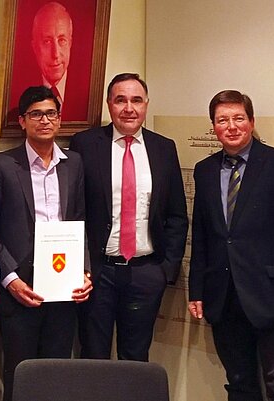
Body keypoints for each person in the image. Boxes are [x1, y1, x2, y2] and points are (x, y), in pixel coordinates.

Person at [187, 90, 274, 401]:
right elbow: (203, 235)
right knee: (239, 386)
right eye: (223, 120)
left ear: (251, 121)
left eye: (238, 118)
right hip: (224, 297)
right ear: (213, 126)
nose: (231, 126)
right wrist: (196, 289)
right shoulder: (204, 171)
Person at [0, 86, 93, 400]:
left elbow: (80, 221)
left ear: (59, 119)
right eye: (36, 114)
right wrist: (10, 280)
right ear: (22, 121)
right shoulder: (1, 165)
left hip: (63, 289)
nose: (44, 121)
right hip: (20, 290)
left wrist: (84, 271)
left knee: (56, 378)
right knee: (20, 377)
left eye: (51, 113)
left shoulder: (74, 163)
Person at [69, 73, 188, 361]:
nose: (129, 108)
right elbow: (74, 210)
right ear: (109, 104)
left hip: (145, 272)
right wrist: (79, 266)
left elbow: (176, 214)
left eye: (136, 100)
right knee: (93, 356)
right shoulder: (85, 144)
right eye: (120, 100)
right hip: (97, 273)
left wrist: (165, 270)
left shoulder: (164, 147)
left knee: (136, 358)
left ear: (146, 104)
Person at [29, 1, 86, 120]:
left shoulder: (86, 91)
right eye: (47, 41)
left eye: (62, 40)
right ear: (35, 47)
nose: (55, 54)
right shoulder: (20, 89)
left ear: (70, 43)